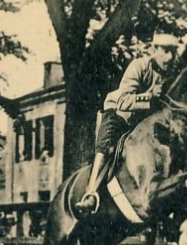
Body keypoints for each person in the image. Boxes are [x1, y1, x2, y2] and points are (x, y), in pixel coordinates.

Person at [77, 32, 181, 214]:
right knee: (106, 146)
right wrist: (149, 96)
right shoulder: (139, 66)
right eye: (166, 51)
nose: (170, 57)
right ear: (154, 49)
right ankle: (91, 194)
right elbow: (123, 101)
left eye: (174, 52)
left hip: (144, 123)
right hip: (119, 115)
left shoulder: (172, 74)